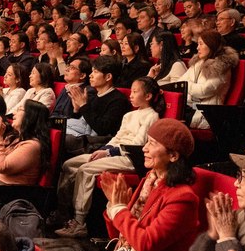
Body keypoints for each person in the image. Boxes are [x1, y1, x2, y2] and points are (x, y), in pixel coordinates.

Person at [100, 119, 199, 251]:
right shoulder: (150, 180)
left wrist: (119, 209)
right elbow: (119, 234)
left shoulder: (183, 198)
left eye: (152, 144)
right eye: (147, 141)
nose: (144, 148)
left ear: (173, 156)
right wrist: (113, 204)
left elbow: (145, 244)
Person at [56, 77, 165, 239]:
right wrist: (104, 150)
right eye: (131, 91)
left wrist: (109, 153)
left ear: (148, 96)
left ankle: (79, 221)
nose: (131, 95)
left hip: (129, 157)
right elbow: (117, 137)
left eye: (135, 92)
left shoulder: (152, 116)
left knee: (86, 170)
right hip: (112, 151)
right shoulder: (129, 115)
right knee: (68, 164)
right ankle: (63, 212)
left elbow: (137, 143)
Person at [0, 99, 51, 185]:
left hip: (6, 190)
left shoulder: (32, 146)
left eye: (19, 109)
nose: (14, 113)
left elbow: (1, 167)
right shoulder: (15, 138)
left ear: (31, 116)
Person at [182, 30, 239, 127]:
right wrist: (188, 86)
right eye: (197, 44)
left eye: (201, 44)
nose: (197, 47)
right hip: (190, 107)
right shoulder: (198, 62)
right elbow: (180, 82)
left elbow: (203, 91)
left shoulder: (221, 67)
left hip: (207, 114)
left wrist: (187, 85)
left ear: (211, 45)